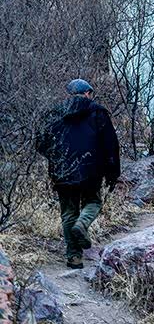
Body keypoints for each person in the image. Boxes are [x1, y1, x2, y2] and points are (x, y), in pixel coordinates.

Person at [37, 79, 120, 269]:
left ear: (69, 94)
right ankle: (82, 224)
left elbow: (41, 143)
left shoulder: (54, 114)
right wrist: (112, 173)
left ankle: (74, 258)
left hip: (62, 171)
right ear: (88, 93)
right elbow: (111, 146)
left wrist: (58, 158)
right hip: (91, 170)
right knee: (94, 202)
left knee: (68, 213)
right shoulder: (98, 112)